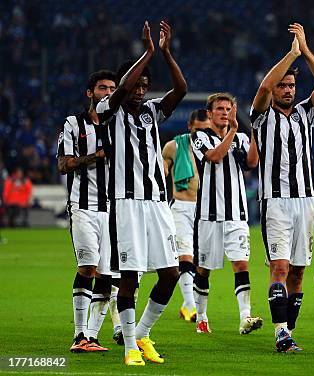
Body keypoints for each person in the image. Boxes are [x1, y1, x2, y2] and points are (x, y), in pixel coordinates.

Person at [96, 21, 187, 366]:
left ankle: (144, 333)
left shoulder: (152, 111)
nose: (141, 90)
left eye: (146, 86)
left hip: (157, 204)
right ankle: (129, 347)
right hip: (126, 203)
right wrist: (147, 51)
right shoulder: (109, 111)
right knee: (130, 278)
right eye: (136, 84)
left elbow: (180, 89)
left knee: (171, 274)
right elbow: (120, 90)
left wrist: (164, 52)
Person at [250, 23, 314, 352]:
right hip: (276, 202)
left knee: (299, 272)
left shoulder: (305, 114)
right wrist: (291, 53)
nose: (287, 90)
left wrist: (307, 51)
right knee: (280, 266)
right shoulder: (260, 116)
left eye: (291, 85)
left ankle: (288, 327)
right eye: (283, 86)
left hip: (306, 201)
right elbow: (264, 85)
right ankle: (281, 332)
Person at [191, 93, 262, 335]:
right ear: (209, 114)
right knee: (203, 269)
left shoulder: (240, 137)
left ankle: (245, 317)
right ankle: (201, 317)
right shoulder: (199, 137)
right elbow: (214, 157)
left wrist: (254, 132)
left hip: (237, 215)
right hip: (208, 216)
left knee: (241, 264)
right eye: (220, 108)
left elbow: (251, 163)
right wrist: (232, 130)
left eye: (228, 108)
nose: (224, 112)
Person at [57, 69, 117, 353]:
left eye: (112, 89)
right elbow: (63, 165)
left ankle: (91, 337)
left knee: (107, 274)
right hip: (82, 206)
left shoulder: (119, 126)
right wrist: (97, 156)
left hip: (114, 210)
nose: (107, 93)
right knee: (88, 268)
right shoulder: (73, 123)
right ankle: (79, 333)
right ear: (90, 92)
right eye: (102, 88)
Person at [162, 109, 210, 323]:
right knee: (185, 255)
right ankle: (190, 306)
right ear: (190, 126)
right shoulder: (173, 147)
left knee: (203, 262)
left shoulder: (214, 148)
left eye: (206, 130)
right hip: (181, 206)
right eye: (198, 130)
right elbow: (160, 172)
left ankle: (186, 304)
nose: (202, 134)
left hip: (206, 209)